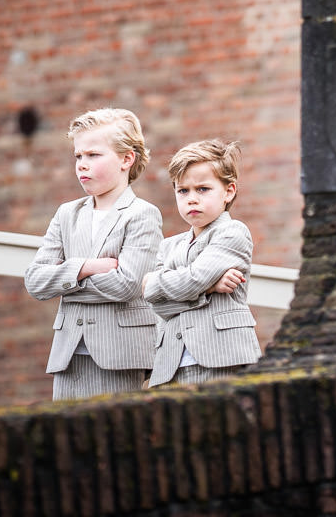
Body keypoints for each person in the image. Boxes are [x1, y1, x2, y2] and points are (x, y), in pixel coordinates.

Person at [24, 108, 163, 400]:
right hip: (68, 354)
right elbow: (35, 281)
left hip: (120, 354)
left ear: (127, 159)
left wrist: (65, 284)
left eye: (93, 155)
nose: (82, 165)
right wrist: (86, 267)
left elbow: (126, 285)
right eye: (78, 156)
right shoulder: (67, 214)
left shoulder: (142, 215)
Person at [143, 139, 262, 386]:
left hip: (223, 358)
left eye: (203, 189)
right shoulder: (168, 246)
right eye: (183, 190)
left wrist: (165, 285)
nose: (191, 199)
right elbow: (157, 305)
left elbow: (192, 279)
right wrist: (210, 288)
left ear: (228, 191)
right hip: (170, 364)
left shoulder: (232, 232)